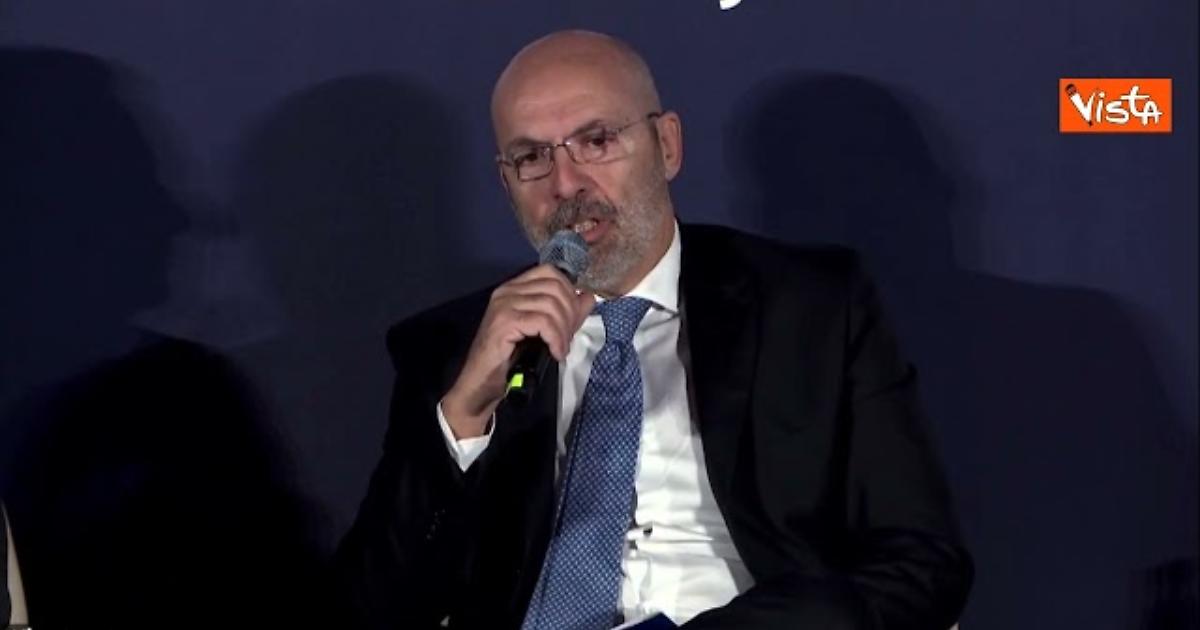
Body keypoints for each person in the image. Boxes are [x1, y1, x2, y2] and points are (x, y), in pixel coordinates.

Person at [335, 30, 972, 630]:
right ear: (507, 183)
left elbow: (922, 561)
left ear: (667, 146)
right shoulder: (454, 346)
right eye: (532, 157)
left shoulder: (809, 307)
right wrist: (464, 412)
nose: (566, 184)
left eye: (596, 141)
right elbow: (372, 606)